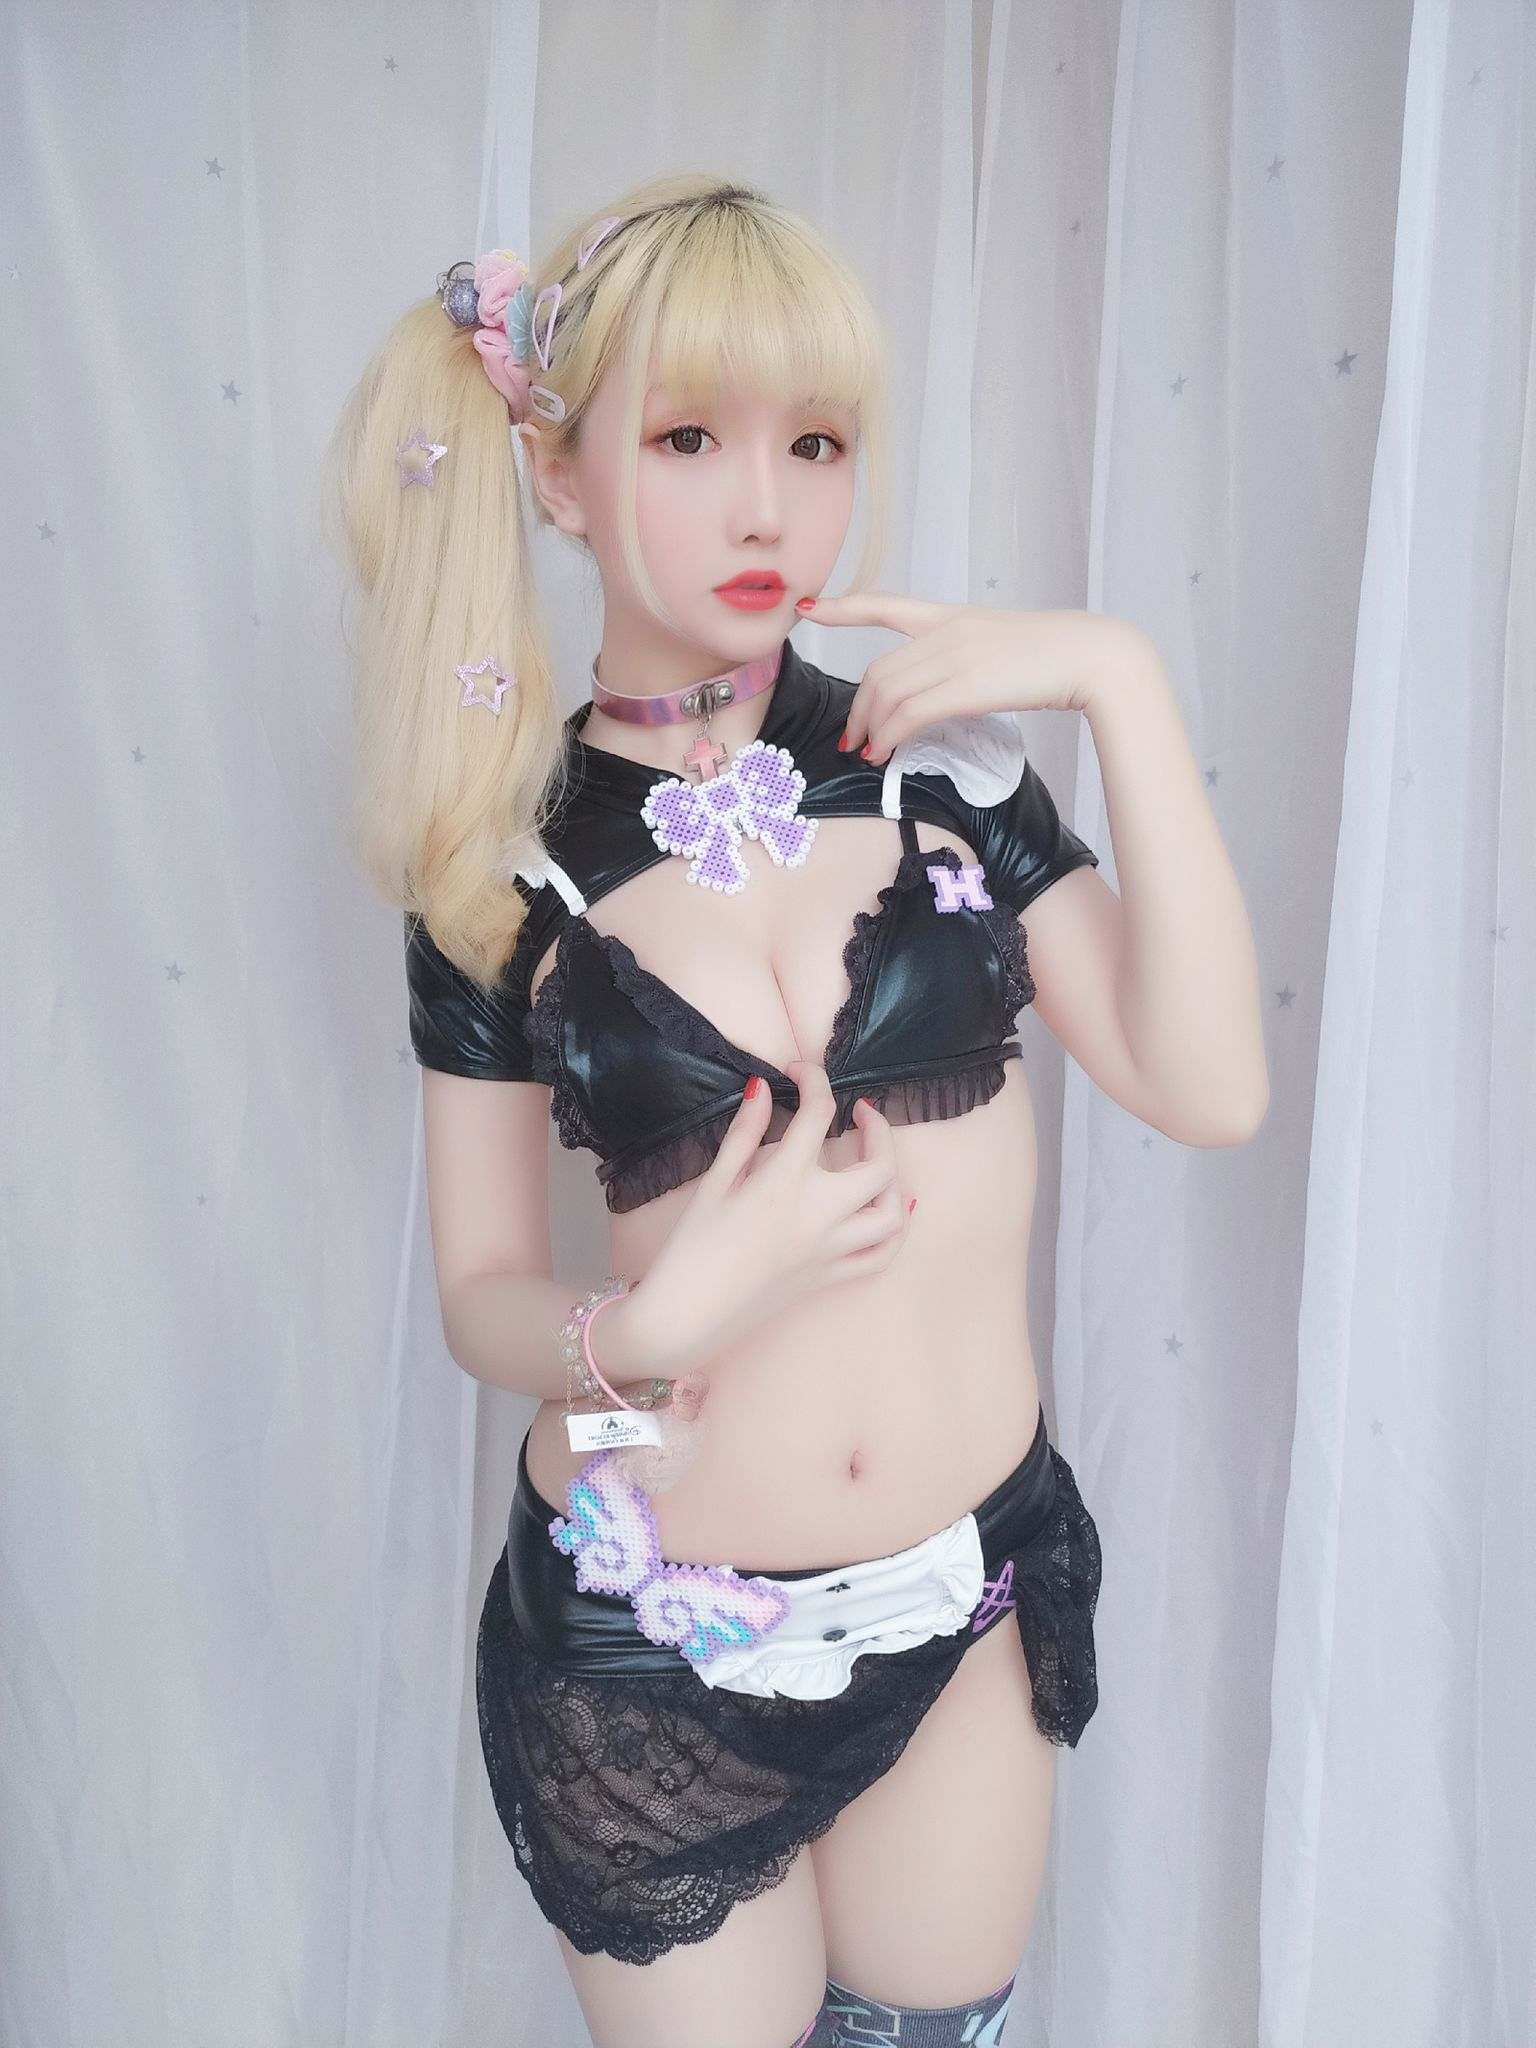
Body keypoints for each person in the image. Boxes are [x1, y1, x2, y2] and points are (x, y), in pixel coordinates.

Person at [321, 172, 1267, 2048]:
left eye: (815, 442)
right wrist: (646, 1323)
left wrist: (1121, 684)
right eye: (689, 438)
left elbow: (1211, 1086)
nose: (769, 505)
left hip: (960, 1588)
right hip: (656, 1640)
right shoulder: (501, 871)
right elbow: (481, 1293)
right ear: (560, 473)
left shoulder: (942, 770)